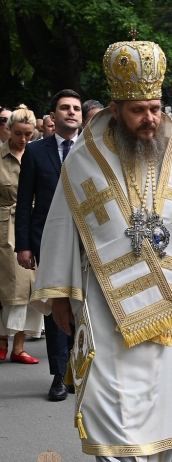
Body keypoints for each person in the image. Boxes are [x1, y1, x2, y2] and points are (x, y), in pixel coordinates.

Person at [30, 38, 172, 462]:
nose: (151, 119)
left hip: (167, 301)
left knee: (162, 400)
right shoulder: (84, 157)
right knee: (110, 399)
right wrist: (62, 298)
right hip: (105, 302)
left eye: (155, 108)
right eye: (139, 111)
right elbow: (64, 228)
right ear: (115, 107)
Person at [15, 89, 81, 401]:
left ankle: (79, 370)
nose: (71, 112)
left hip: (86, 241)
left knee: (83, 305)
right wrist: (23, 245)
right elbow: (24, 200)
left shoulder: (92, 150)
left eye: (76, 108)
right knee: (56, 304)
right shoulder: (36, 151)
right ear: (52, 116)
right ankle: (59, 375)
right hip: (47, 240)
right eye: (64, 108)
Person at [0, 106, 45, 364]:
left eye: (29, 134)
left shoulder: (37, 155)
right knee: (10, 286)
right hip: (5, 227)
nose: (23, 139)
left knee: (31, 287)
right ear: (8, 130)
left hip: (32, 224)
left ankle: (19, 345)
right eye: (18, 133)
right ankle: (3, 340)